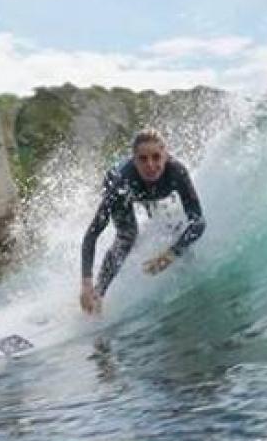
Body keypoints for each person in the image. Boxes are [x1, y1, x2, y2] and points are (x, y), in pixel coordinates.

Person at [80, 128, 206, 314]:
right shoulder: (121, 182)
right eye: (142, 159)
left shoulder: (176, 171)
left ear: (165, 155)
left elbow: (198, 221)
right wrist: (86, 283)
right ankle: (99, 295)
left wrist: (171, 254)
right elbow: (92, 233)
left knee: (176, 230)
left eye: (156, 157)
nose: (150, 165)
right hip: (124, 186)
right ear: (134, 160)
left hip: (151, 192)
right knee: (128, 236)